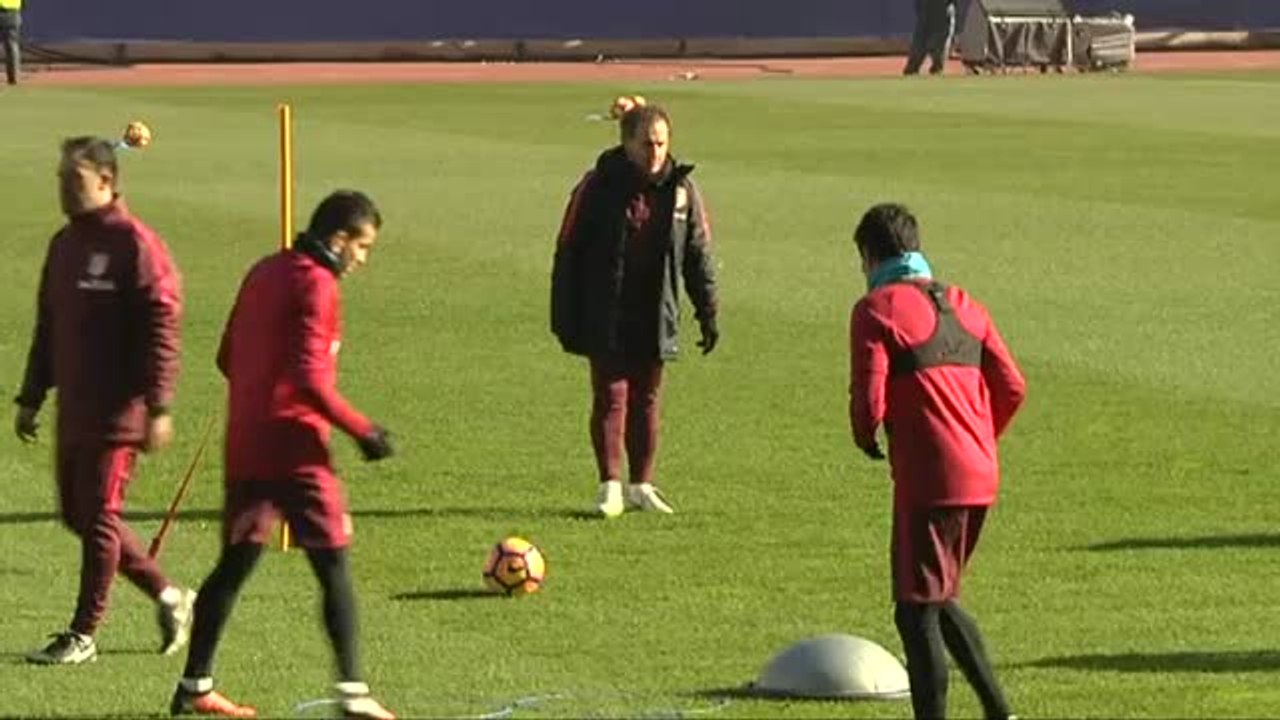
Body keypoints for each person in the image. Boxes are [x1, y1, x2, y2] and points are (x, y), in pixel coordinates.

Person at [170, 190, 395, 720]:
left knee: (236, 562)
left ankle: (194, 685)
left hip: (247, 444)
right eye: (363, 246)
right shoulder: (319, 286)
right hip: (296, 450)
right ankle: (354, 692)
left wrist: (256, 391)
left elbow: (226, 356)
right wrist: (364, 431)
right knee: (333, 562)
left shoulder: (264, 270)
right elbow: (310, 380)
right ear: (338, 239)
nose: (363, 259)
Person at [15, 136, 195, 665]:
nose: (63, 190)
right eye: (60, 179)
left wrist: (159, 405)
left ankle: (83, 633)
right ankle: (170, 595)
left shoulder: (135, 244)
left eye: (74, 181)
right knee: (79, 515)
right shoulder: (64, 244)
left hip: (118, 411)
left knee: (98, 516)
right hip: (75, 406)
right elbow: (48, 324)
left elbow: (163, 325)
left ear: (107, 181)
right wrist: (31, 395)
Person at [848, 203, 1025, 719]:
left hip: (931, 475)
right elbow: (1012, 386)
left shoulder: (876, 308)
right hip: (979, 471)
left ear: (869, 256)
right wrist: (978, 437)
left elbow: (869, 396)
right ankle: (1002, 713)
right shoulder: (966, 304)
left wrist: (866, 435)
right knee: (939, 597)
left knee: (915, 610)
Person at [551, 104, 719, 518]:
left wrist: (708, 311)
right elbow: (569, 250)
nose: (655, 153)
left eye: (661, 143)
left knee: (647, 398)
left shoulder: (682, 191)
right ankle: (609, 485)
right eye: (647, 144)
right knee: (611, 396)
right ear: (626, 143)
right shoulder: (595, 187)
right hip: (606, 306)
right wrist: (564, 313)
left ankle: (642, 485)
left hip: (655, 308)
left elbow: (698, 254)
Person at [905, 0, 957, 75]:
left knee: (938, 55)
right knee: (915, 55)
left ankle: (937, 69)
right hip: (926, 11)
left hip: (942, 12)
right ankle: (913, 68)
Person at [0, 0, 19, 85]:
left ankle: (13, 78)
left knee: (11, 46)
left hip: (10, 13)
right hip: (13, 13)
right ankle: (13, 78)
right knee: (12, 46)